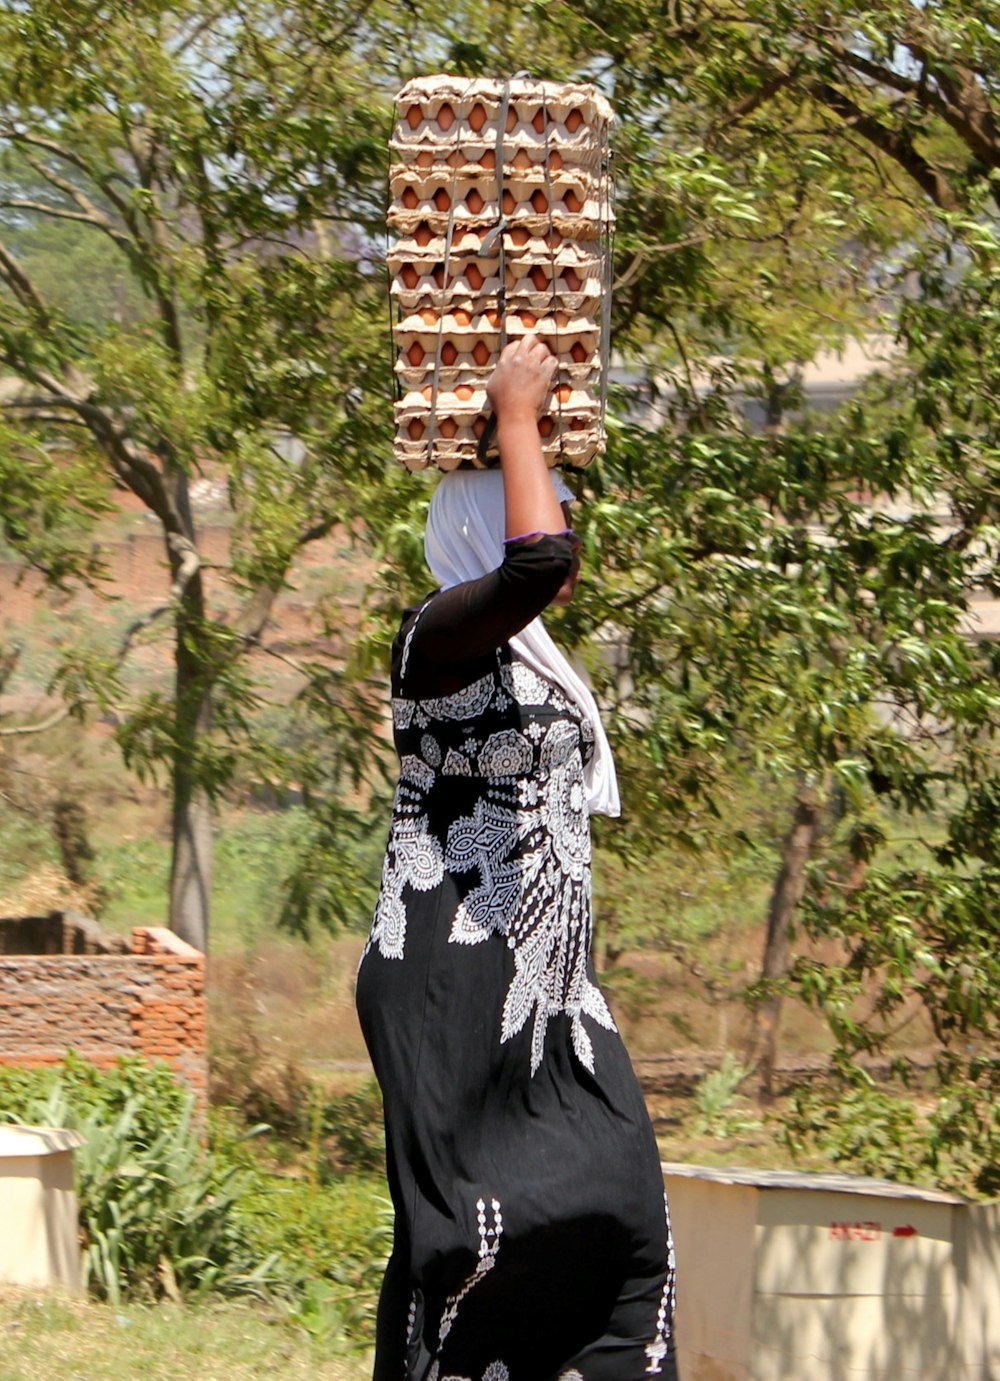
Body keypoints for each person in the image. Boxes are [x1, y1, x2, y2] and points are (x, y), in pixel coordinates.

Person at [356, 335, 677, 1381]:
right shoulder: (433, 647)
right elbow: (538, 561)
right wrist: (514, 412)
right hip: (455, 982)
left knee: (624, 1214)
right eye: (546, 495)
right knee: (482, 1247)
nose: (565, 522)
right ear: (475, 528)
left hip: (553, 993)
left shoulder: (538, 665)